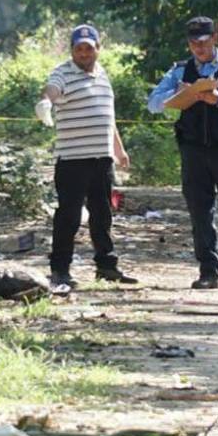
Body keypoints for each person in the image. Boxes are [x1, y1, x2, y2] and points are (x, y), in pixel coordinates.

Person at [147, 16, 218, 291]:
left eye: (204, 42)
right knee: (199, 213)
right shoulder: (180, 70)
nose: (199, 48)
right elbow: (154, 104)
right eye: (194, 43)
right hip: (193, 150)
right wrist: (182, 95)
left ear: (215, 37)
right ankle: (208, 272)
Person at [35, 24, 137, 290]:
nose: (83, 53)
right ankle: (60, 269)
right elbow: (52, 89)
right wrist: (46, 102)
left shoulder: (102, 74)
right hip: (72, 159)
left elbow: (108, 116)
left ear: (97, 49)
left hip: (101, 158)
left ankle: (106, 266)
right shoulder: (62, 72)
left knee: (102, 213)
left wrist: (118, 149)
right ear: (72, 51)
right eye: (78, 49)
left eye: (88, 48)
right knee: (68, 216)